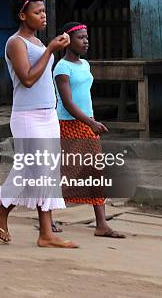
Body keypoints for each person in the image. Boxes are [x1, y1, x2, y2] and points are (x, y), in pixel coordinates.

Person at [0, 0, 78, 248]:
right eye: (37, 12)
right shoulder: (16, 43)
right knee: (29, 170)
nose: (43, 16)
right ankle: (1, 209)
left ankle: (46, 233)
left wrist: (48, 49)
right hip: (27, 116)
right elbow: (27, 79)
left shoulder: (38, 43)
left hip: (47, 113)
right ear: (22, 15)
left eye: (44, 11)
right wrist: (50, 50)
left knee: (46, 173)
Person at [54, 22, 125, 239]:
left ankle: (101, 224)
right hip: (70, 124)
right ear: (68, 41)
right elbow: (67, 103)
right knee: (71, 173)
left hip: (87, 122)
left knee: (95, 172)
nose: (86, 41)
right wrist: (90, 123)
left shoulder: (84, 64)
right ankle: (47, 217)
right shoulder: (61, 68)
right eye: (81, 38)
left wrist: (91, 121)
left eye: (86, 37)